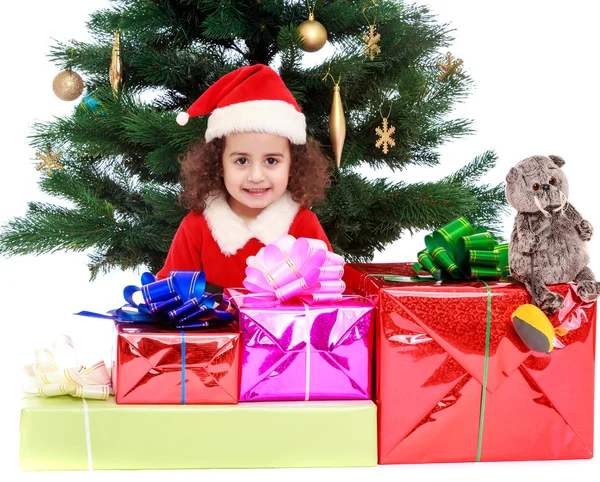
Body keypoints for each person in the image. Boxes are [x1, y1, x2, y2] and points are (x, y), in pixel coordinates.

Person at [156, 64, 332, 288]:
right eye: (241, 161)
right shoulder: (197, 226)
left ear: (293, 164)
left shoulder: (304, 225)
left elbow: (329, 291)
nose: (256, 176)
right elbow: (170, 292)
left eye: (271, 161)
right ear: (218, 163)